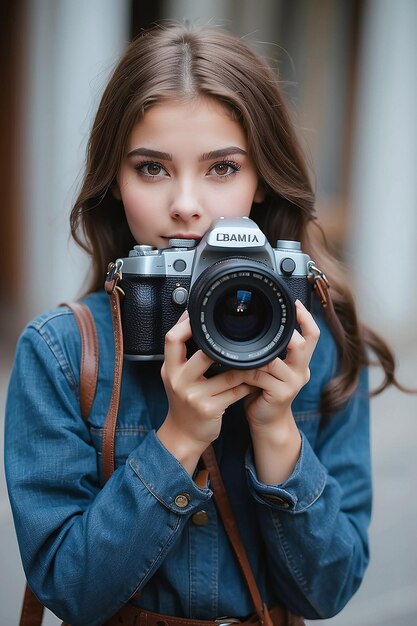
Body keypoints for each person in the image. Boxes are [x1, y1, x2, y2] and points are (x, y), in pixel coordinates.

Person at [5, 23, 403, 626]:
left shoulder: (317, 342)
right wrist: (179, 438)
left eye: (221, 168)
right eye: (152, 168)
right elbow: (70, 590)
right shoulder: (60, 353)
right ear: (114, 179)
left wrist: (277, 432)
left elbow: (328, 592)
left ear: (262, 176)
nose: (186, 203)